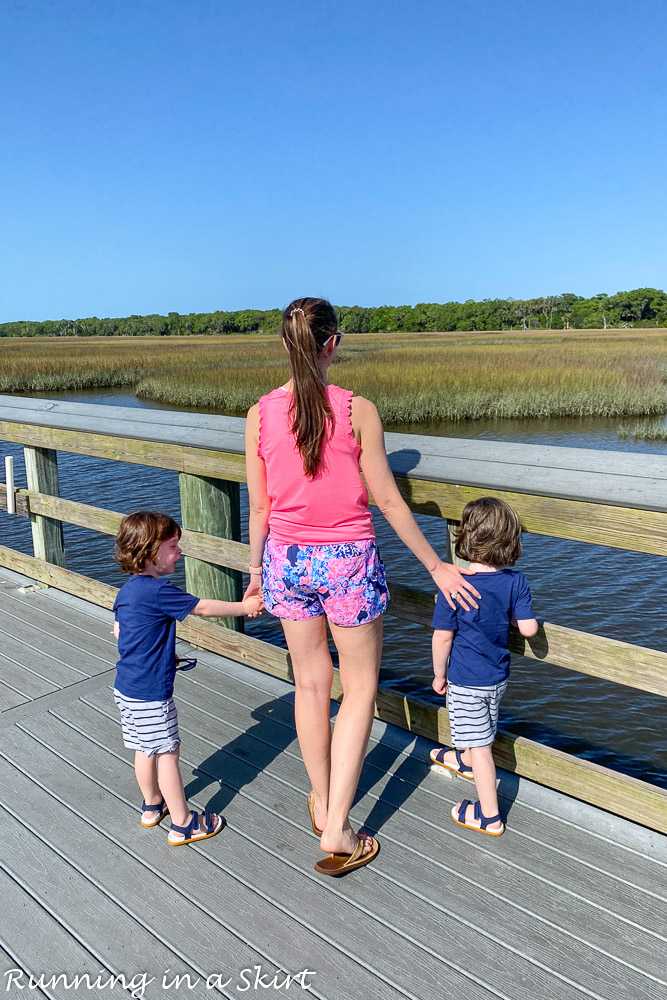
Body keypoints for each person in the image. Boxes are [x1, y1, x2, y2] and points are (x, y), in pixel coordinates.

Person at [244, 296, 481, 875]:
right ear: (333, 344)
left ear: (284, 345)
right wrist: (437, 566)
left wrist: (255, 575)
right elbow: (390, 501)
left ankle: (324, 800)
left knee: (308, 684)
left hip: (287, 559)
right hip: (347, 560)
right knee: (358, 691)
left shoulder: (259, 414)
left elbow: (259, 506)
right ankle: (337, 827)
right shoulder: (357, 411)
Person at [113, 510, 262, 846]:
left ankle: (152, 806)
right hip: (151, 693)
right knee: (168, 753)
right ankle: (183, 823)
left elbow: (122, 631)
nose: (179, 552)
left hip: (126, 688)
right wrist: (246, 606)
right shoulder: (158, 591)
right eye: (173, 546)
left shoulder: (128, 592)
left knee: (143, 748)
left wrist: (164, 653)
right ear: (151, 551)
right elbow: (203, 608)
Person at [429, 497, 538, 835]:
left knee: (481, 746)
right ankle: (465, 759)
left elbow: (442, 638)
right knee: (482, 727)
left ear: (466, 539)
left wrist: (438, 674)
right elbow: (529, 629)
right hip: (497, 677)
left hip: (465, 679)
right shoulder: (515, 582)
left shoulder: (455, 585)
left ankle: (489, 815)